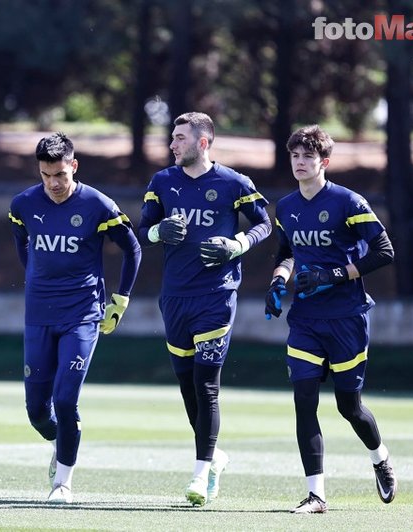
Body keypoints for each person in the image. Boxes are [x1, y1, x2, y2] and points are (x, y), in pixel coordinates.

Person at [138, 112, 272, 506]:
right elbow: (141, 231)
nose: (172, 144)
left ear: (203, 142)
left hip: (216, 295)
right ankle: (215, 457)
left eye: (179, 138)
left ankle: (199, 475)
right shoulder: (162, 182)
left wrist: (238, 244)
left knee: (206, 386)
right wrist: (158, 231)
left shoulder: (234, 183)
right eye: (172, 137)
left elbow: (264, 224)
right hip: (174, 298)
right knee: (187, 387)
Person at [265, 124, 397, 514]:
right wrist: (278, 281)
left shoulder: (348, 202)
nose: (300, 163)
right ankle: (316, 495)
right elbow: (287, 252)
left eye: (308, 156)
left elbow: (384, 251)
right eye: (295, 156)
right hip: (305, 319)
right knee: (304, 401)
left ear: (324, 162)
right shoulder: (286, 207)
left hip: (347, 317)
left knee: (348, 407)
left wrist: (334, 275)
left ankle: (380, 459)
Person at [8, 132, 141, 504]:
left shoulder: (98, 205)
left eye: (60, 175)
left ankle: (62, 484)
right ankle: (61, 441)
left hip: (82, 315)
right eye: (46, 175)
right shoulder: (23, 204)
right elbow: (22, 243)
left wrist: (120, 300)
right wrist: (37, 279)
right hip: (38, 315)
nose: (53, 184)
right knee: (37, 411)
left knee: (65, 401)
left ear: (74, 167)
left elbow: (132, 249)